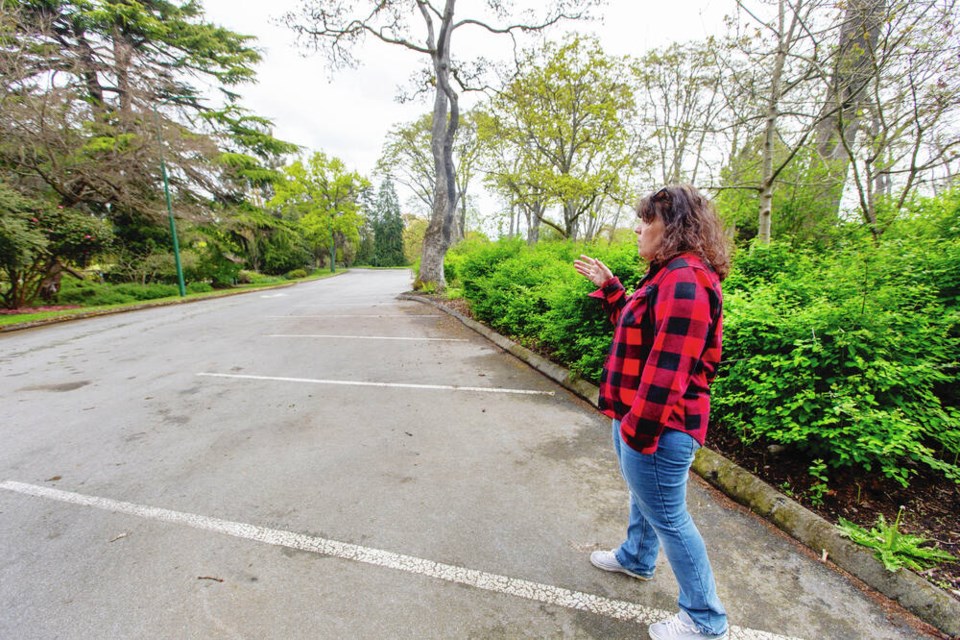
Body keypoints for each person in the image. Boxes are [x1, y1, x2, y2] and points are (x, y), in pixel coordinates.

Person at [574, 185, 731, 640]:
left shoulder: (686, 279)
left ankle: (705, 620)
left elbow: (669, 370)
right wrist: (612, 290)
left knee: (669, 516)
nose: (638, 227)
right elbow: (643, 333)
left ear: (675, 227)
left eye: (647, 220)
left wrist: (638, 436)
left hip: (659, 425)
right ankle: (637, 558)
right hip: (639, 418)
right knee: (646, 499)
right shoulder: (667, 274)